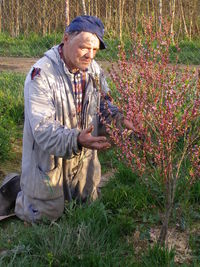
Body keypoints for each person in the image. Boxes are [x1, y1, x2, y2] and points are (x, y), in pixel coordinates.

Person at [0, 15, 133, 222]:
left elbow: (103, 106)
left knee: (87, 205)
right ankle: (17, 188)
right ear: (66, 39)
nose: (90, 55)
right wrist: (77, 140)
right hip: (48, 161)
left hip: (82, 162)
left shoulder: (94, 71)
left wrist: (120, 119)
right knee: (44, 217)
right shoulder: (41, 75)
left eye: (95, 50)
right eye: (84, 48)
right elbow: (43, 129)